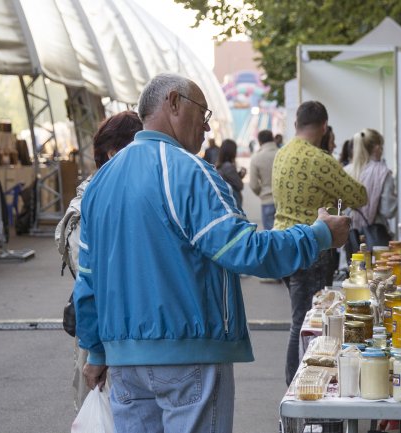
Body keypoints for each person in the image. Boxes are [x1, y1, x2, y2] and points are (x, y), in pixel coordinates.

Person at [73, 74, 351, 433]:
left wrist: (96, 352)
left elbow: (87, 283)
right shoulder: (188, 173)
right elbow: (247, 251)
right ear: (173, 103)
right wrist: (318, 235)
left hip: (124, 364)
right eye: (202, 113)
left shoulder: (100, 184)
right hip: (191, 357)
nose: (206, 127)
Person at [272, 100, 367, 385]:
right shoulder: (320, 161)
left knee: (298, 320)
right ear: (324, 126)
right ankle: (300, 388)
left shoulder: (282, 154)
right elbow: (359, 195)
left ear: (296, 124)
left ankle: (297, 385)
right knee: (307, 324)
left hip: (281, 245)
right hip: (312, 249)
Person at [54, 111, 143, 411]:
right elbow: (92, 282)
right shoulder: (89, 202)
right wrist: (96, 353)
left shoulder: (136, 193)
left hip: (134, 338)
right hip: (103, 338)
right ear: (112, 152)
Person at [344, 128, 397, 241]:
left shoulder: (345, 171)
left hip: (349, 237)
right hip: (376, 239)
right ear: (377, 148)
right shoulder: (383, 173)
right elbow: (388, 211)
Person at [249, 129, 279, 231]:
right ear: (273, 139)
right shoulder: (282, 154)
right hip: (284, 201)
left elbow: (253, 185)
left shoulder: (256, 158)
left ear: (260, 142)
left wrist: (262, 192)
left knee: (271, 238)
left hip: (267, 201)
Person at [216, 138, 246, 208]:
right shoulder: (228, 166)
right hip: (233, 202)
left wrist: (239, 176)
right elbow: (240, 185)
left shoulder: (219, 165)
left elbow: (229, 180)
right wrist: (240, 177)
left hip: (226, 202)